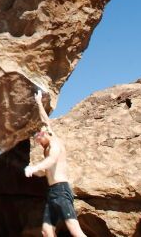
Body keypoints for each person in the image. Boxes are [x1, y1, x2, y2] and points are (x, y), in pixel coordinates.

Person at [24, 90, 87, 237]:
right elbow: (45, 120)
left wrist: (35, 167)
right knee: (46, 231)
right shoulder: (47, 146)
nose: (38, 140)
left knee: (75, 230)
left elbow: (51, 160)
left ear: (46, 133)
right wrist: (39, 102)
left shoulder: (55, 144)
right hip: (52, 192)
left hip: (61, 191)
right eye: (36, 139)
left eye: (39, 137)